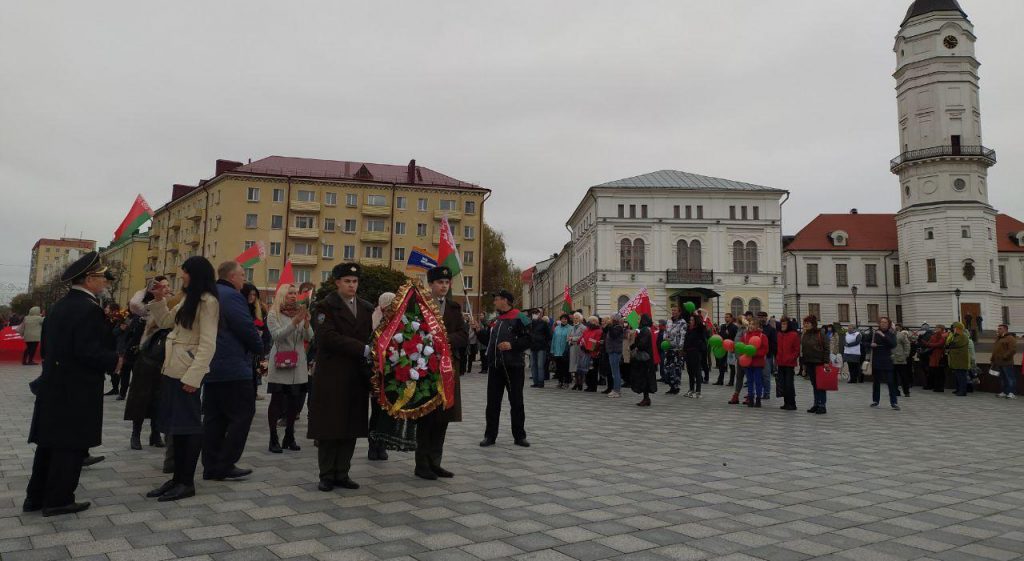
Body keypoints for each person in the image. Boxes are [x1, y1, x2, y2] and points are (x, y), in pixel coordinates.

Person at [24, 252, 118, 516]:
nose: (105, 282)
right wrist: (114, 360)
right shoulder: (88, 309)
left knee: (49, 444)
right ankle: (59, 500)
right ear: (89, 279)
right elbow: (88, 351)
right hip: (77, 388)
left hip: (54, 384)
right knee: (70, 445)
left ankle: (36, 497)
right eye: (101, 277)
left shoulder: (60, 306)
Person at [145, 256, 219, 502]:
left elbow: (208, 344)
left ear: (195, 274)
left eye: (185, 272)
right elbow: (166, 322)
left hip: (187, 372)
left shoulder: (208, 302)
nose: (182, 276)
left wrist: (194, 377)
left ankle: (186, 481)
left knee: (187, 427)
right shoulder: (188, 298)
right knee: (175, 427)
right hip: (172, 368)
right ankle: (177, 478)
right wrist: (158, 300)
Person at [309, 263, 374, 491]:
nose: (352, 285)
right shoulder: (324, 307)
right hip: (332, 375)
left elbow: (371, 337)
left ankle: (342, 472)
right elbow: (327, 337)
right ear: (337, 282)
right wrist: (362, 349)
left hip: (356, 375)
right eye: (347, 281)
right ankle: (326, 474)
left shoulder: (366, 308)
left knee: (350, 425)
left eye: (355, 281)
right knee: (330, 426)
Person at [200, 262, 264, 482]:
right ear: (232, 276)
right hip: (233, 367)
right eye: (242, 275)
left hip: (211, 367)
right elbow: (244, 326)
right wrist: (259, 347)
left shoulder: (210, 294)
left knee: (214, 419)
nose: (244, 280)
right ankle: (225, 464)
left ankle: (210, 465)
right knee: (242, 416)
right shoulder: (232, 296)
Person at [415, 266, 469, 479]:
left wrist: (444, 341)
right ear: (431, 285)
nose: (444, 286)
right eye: (440, 282)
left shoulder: (455, 308)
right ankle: (422, 464)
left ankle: (435, 462)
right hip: (427, 368)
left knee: (443, 418)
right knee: (427, 417)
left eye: (446, 283)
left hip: (448, 369)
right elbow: (413, 332)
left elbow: (463, 335)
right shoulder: (421, 306)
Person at [480, 289, 531, 447]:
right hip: (495, 366)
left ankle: (519, 436)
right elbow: (489, 340)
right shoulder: (496, 320)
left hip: (513, 366)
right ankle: (490, 436)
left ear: (505, 301)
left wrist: (512, 345)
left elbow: (530, 339)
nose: (494, 302)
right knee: (492, 403)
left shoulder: (520, 317)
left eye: (496, 299)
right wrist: (479, 331)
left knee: (516, 401)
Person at [124, 277, 171, 451]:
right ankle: (135, 435)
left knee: (159, 398)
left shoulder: (171, 304)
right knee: (141, 397)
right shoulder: (149, 306)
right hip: (147, 356)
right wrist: (149, 290)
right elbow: (134, 305)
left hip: (165, 357)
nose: (165, 289)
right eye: (161, 286)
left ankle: (155, 433)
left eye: (167, 286)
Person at [266, 284, 313, 454]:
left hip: (298, 364)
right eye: (290, 293)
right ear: (282, 295)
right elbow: (277, 336)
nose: (293, 296)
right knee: (277, 401)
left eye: (295, 293)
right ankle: (273, 438)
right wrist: (294, 323)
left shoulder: (300, 312)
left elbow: (310, 337)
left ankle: (289, 436)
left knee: (295, 402)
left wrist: (306, 324)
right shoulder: (274, 314)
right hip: (280, 363)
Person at [801, 316, 829, 414]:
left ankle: (822, 405)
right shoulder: (805, 334)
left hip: (819, 362)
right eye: (805, 323)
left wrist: (826, 362)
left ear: (813, 324)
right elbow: (804, 349)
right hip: (809, 362)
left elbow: (826, 348)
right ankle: (816, 403)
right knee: (814, 384)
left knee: (820, 385)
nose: (805, 325)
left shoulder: (820, 333)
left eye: (807, 323)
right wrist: (803, 365)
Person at [870, 317, 899, 410]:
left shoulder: (891, 333)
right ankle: (875, 401)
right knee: (876, 382)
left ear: (888, 324)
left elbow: (893, 344)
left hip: (887, 360)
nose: (883, 324)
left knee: (890, 382)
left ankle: (894, 402)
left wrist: (883, 335)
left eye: (885, 322)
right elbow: (864, 342)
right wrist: (871, 345)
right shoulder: (875, 333)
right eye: (881, 322)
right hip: (877, 360)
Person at [740, 318, 769, 408]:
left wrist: (754, 353)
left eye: (753, 324)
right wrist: (744, 353)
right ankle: (751, 398)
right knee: (749, 381)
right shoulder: (745, 336)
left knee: (758, 381)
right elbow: (741, 347)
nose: (751, 326)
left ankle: (758, 399)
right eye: (750, 324)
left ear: (758, 326)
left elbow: (765, 349)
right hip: (748, 362)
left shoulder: (762, 336)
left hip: (757, 362)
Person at [629, 314, 657, 407]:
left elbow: (642, 344)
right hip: (646, 358)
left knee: (644, 378)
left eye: (639, 319)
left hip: (645, 359)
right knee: (644, 378)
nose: (638, 320)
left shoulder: (645, 330)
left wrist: (636, 346)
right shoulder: (645, 329)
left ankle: (646, 398)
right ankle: (646, 398)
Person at [776, 316, 800, 410]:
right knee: (783, 384)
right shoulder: (779, 334)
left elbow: (796, 350)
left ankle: (792, 403)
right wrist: (778, 357)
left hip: (789, 363)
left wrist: (791, 358)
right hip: (781, 363)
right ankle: (786, 403)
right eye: (782, 324)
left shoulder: (794, 334)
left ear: (788, 325)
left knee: (789, 384)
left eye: (785, 324)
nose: (783, 325)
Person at [682, 312, 707, 398]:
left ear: (696, 321)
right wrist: (684, 350)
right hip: (688, 353)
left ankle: (698, 391)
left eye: (692, 320)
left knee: (697, 372)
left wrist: (696, 314)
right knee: (690, 372)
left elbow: (702, 325)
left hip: (695, 352)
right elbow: (686, 341)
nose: (690, 321)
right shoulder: (689, 329)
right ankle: (691, 389)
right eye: (690, 320)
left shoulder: (699, 329)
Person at [991, 325, 1018, 399]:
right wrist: (993, 358)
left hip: (1007, 362)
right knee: (1002, 378)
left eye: (1000, 329)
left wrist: (1004, 357)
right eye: (998, 328)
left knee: (1010, 378)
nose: (998, 330)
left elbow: (1013, 350)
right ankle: (1004, 392)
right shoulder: (999, 338)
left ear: (1005, 330)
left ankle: (1011, 393)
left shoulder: (1010, 338)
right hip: (999, 362)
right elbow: (995, 350)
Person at [527, 308, 551, 388]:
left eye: (537, 313)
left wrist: (543, 341)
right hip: (533, 346)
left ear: (540, 314)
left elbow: (549, 335)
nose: (535, 315)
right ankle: (535, 381)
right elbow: (528, 333)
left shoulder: (544, 323)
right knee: (533, 365)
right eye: (534, 313)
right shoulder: (530, 324)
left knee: (540, 365)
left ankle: (541, 382)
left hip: (541, 346)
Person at [946, 322, 971, 396]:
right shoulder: (956, 336)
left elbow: (956, 344)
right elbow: (949, 343)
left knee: (962, 377)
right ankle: (958, 389)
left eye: (954, 328)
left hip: (961, 360)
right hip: (957, 359)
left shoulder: (963, 336)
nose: (953, 329)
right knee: (957, 376)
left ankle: (963, 391)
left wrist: (950, 344)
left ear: (958, 328)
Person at [603, 314, 625, 398]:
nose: (610, 319)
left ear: (615, 319)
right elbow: (605, 330)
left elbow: (613, 335)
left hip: (615, 351)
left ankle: (617, 390)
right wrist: (608, 325)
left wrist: (609, 325)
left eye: (611, 318)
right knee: (614, 372)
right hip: (611, 351)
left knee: (616, 372)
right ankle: (615, 389)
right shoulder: (614, 327)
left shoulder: (618, 327)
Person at [579, 316, 603, 392]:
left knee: (593, 371)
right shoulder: (587, 330)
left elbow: (597, 342)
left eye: (591, 321)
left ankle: (593, 387)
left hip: (593, 353)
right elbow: (581, 338)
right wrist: (582, 345)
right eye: (589, 321)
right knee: (587, 370)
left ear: (595, 322)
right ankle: (588, 385)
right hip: (586, 352)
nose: (589, 323)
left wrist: (590, 348)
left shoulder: (599, 331)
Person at [715, 313, 738, 385]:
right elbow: (721, 335)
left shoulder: (734, 327)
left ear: (731, 318)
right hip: (723, 347)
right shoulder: (723, 326)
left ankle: (731, 381)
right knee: (721, 364)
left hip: (731, 347)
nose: (726, 318)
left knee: (731, 365)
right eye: (725, 317)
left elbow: (735, 337)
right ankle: (720, 380)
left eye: (727, 317)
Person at [550, 314, 572, 389]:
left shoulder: (570, 328)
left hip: (565, 351)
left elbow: (570, 340)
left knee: (566, 367)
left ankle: (566, 382)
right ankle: (560, 381)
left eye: (565, 319)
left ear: (567, 320)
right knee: (559, 368)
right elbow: (554, 339)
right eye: (562, 319)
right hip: (557, 351)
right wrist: (552, 350)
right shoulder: (556, 328)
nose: (564, 320)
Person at [892, 323, 913, 398]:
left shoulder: (901, 335)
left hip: (900, 358)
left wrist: (906, 354)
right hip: (891, 359)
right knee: (893, 377)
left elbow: (907, 344)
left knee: (904, 376)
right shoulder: (887, 335)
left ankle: (906, 391)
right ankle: (895, 391)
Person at [925, 325, 948, 392]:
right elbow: (929, 343)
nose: (936, 329)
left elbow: (939, 344)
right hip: (933, 356)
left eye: (937, 328)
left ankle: (940, 387)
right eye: (936, 328)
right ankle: (935, 386)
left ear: (942, 329)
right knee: (934, 372)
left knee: (940, 373)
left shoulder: (943, 336)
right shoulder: (934, 336)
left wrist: (930, 344)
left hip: (939, 356)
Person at [568, 312, 586, 390]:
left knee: (579, 366)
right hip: (572, 347)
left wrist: (573, 339)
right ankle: (575, 383)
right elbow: (568, 336)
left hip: (579, 348)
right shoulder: (571, 327)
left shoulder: (583, 327)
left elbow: (582, 337)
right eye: (574, 318)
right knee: (573, 366)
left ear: (580, 319)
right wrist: (569, 340)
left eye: (577, 318)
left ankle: (580, 383)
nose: (575, 320)